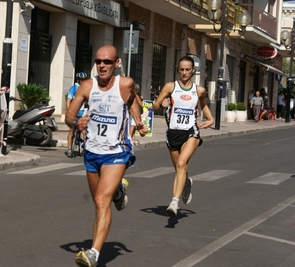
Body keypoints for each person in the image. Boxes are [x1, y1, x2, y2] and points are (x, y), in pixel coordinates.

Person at [65, 44, 147, 267]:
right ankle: (119, 190)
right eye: (98, 61)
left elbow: (132, 102)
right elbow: (69, 116)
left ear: (116, 63)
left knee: (102, 200)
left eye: (107, 62)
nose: (102, 65)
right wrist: (76, 122)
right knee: (99, 201)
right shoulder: (86, 87)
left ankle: (93, 253)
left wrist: (138, 122)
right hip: (92, 151)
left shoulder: (125, 84)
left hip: (116, 151)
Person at [152, 56, 214, 217]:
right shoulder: (170, 87)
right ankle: (186, 182)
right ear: (177, 70)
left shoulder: (199, 90)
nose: (185, 72)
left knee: (181, 164)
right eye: (182, 69)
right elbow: (154, 106)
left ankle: (174, 202)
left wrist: (210, 119)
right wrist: (161, 104)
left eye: (188, 69)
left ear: (193, 70)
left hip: (190, 132)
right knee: (179, 169)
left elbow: (203, 104)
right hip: (173, 132)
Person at [65, 72, 88, 157]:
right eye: (80, 80)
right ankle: (69, 149)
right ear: (77, 80)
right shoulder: (73, 88)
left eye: (83, 80)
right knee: (71, 131)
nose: (82, 81)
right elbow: (68, 100)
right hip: (74, 113)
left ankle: (85, 147)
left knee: (84, 130)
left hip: (82, 113)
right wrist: (69, 111)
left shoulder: (86, 89)